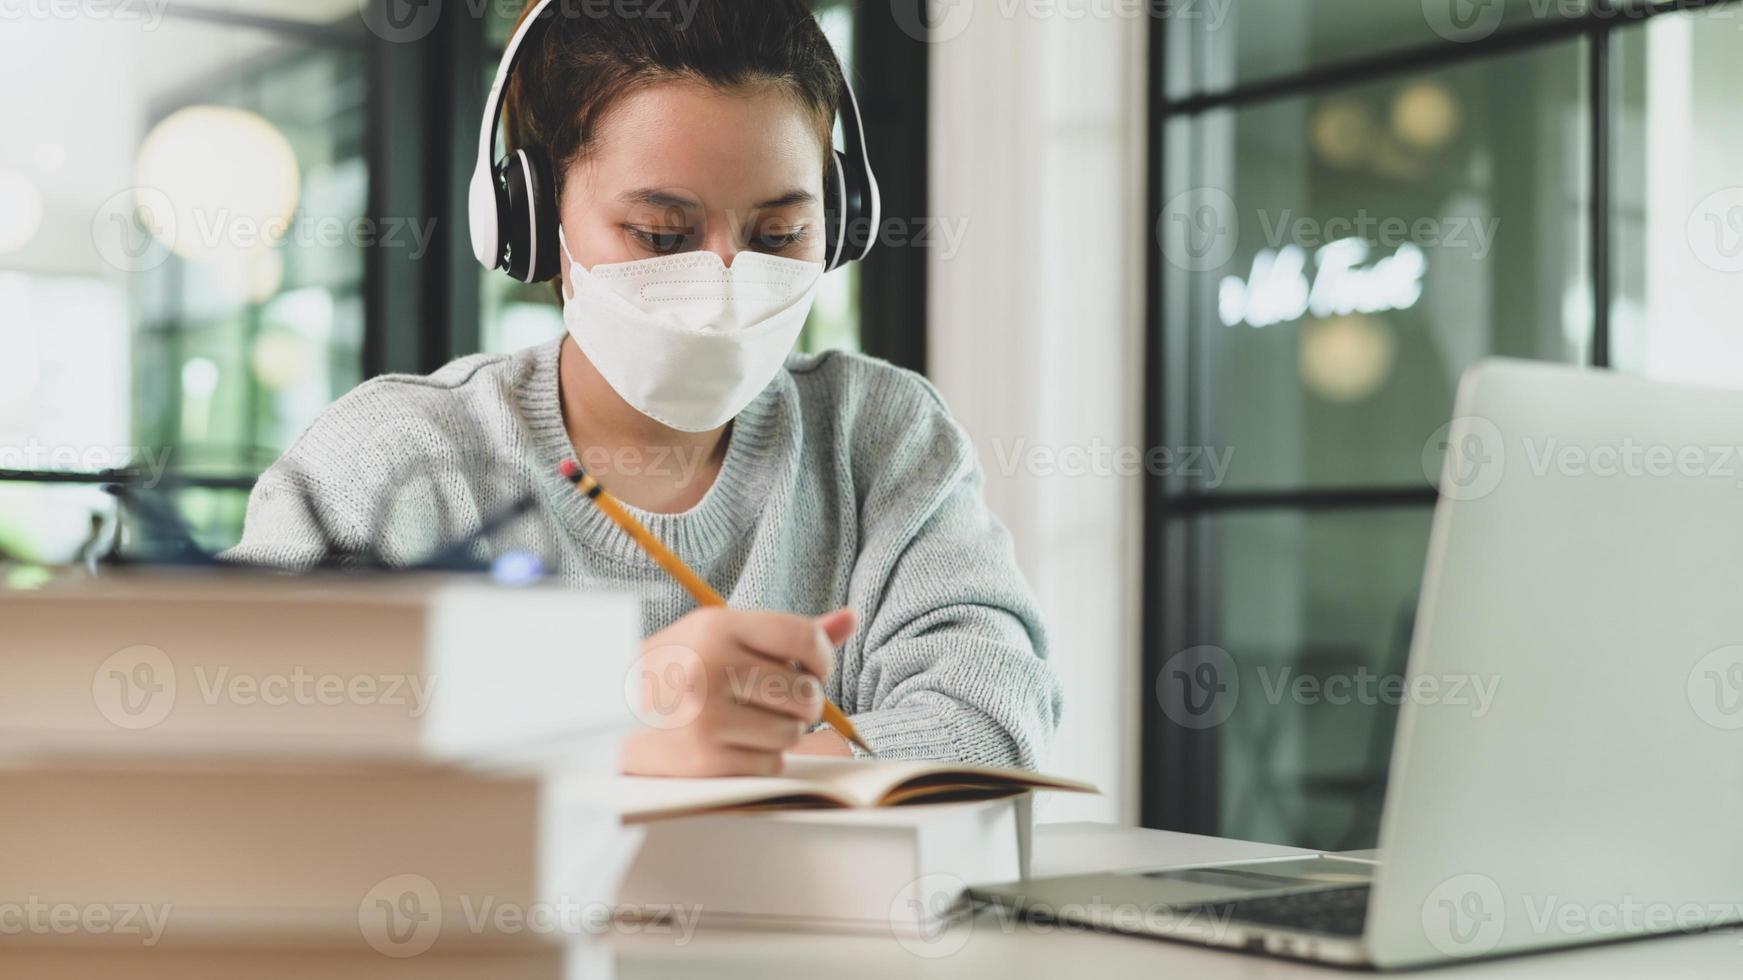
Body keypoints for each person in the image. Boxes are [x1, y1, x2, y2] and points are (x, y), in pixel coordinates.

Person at [229, 0, 1060, 778]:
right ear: (529, 221)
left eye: (780, 234)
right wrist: (619, 732)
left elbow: (992, 717)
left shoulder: (882, 438)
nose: (727, 282)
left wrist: (708, 767)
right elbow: (235, 732)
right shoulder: (390, 461)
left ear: (840, 221)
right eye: (662, 235)